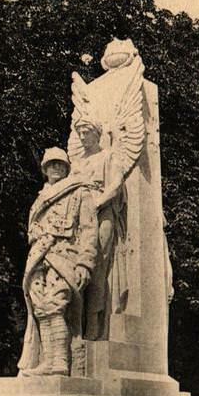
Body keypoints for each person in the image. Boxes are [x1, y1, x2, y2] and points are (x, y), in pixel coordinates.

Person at [17, 147, 98, 376]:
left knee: (55, 305)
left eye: (60, 163)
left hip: (64, 255)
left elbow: (89, 229)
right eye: (51, 164)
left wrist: (85, 263)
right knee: (41, 309)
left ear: (67, 167)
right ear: (45, 169)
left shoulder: (79, 192)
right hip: (38, 256)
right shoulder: (40, 198)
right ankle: (47, 362)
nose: (56, 167)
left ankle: (61, 362)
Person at [72, 118, 128, 340]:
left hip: (102, 212)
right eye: (79, 133)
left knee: (97, 266)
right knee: (76, 264)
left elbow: (116, 184)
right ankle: (76, 323)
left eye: (86, 132)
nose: (82, 137)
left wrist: (98, 202)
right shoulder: (77, 163)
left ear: (96, 134)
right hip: (79, 216)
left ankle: (93, 320)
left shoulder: (109, 156)